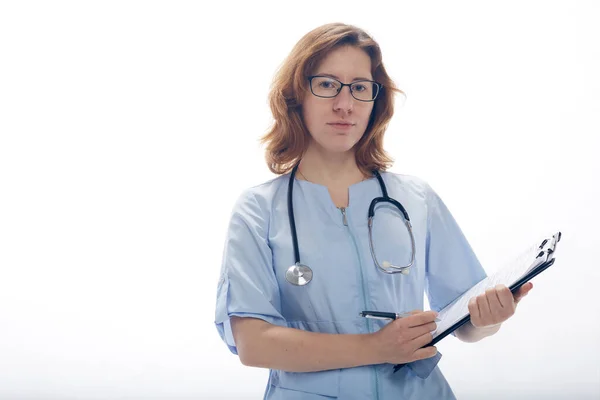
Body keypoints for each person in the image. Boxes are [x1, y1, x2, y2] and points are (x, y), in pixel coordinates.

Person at [214, 22, 533, 400]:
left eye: (360, 88)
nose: (345, 104)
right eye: (328, 84)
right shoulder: (258, 211)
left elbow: (464, 321)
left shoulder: (416, 197)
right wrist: (377, 347)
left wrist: (487, 320)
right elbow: (253, 343)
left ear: (374, 101)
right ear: (296, 95)